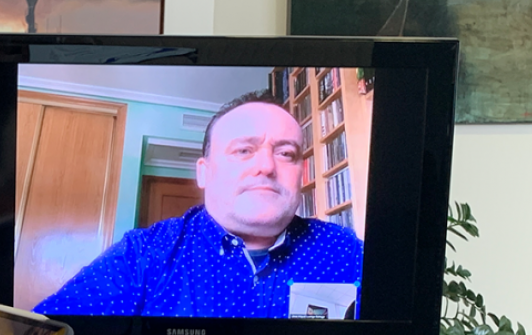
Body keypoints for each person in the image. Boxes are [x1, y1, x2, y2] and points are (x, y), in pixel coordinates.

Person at [33, 91, 363, 319]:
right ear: (204, 173)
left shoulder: (346, 252)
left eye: (286, 153)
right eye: (244, 150)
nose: (266, 166)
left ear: (301, 173)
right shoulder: (143, 255)